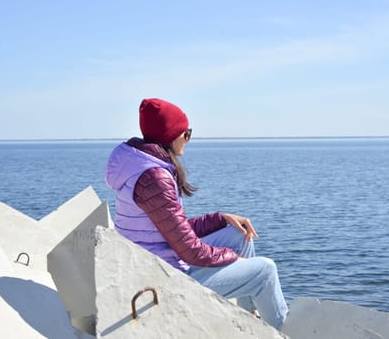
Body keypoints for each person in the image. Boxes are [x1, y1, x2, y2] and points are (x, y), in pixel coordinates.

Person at [105, 98, 288, 329]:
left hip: (159, 262)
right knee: (266, 271)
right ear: (171, 135)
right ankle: (282, 332)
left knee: (238, 234)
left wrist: (220, 219)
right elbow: (189, 250)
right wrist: (231, 257)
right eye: (186, 133)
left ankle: (247, 321)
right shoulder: (155, 178)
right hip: (163, 279)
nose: (188, 139)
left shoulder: (140, 166)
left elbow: (171, 229)